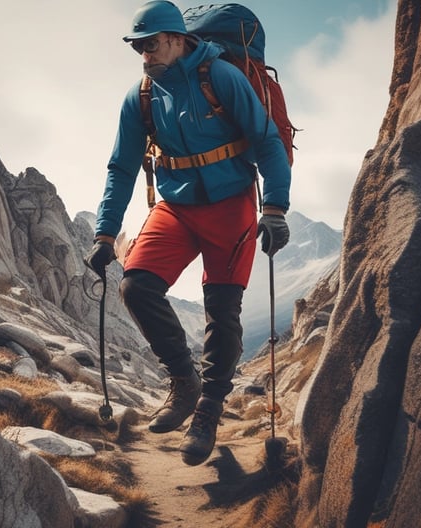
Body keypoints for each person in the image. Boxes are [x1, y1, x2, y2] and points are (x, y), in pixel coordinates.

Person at [85, 0, 291, 466]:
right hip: (176, 207)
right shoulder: (140, 95)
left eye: (151, 44)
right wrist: (104, 234)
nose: (144, 54)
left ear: (178, 39)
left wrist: (275, 207)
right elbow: (120, 168)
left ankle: (208, 412)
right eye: (138, 47)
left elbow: (266, 142)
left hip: (231, 204)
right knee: (136, 286)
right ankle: (184, 382)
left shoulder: (222, 77)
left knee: (222, 311)